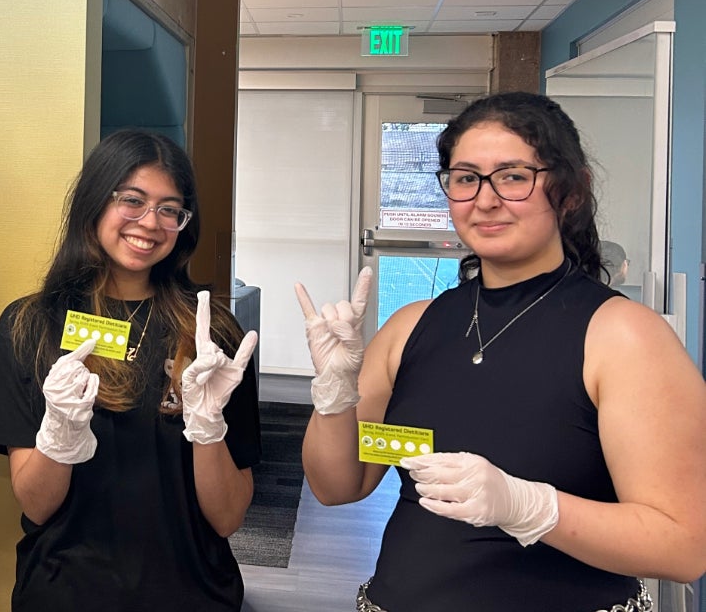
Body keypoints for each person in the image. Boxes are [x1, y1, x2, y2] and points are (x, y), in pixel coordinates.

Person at [295, 92, 706, 611]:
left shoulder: (622, 336)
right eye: (466, 178)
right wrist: (334, 396)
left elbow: (684, 546)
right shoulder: (412, 328)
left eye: (513, 176)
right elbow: (339, 485)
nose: (485, 200)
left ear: (570, 192)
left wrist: (531, 507)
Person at [0, 130, 261, 611]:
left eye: (170, 209)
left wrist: (208, 429)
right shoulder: (31, 325)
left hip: (194, 594)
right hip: (64, 592)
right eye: (133, 200)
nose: (151, 223)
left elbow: (228, 517)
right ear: (93, 202)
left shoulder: (210, 335)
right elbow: (37, 504)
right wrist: (59, 432)